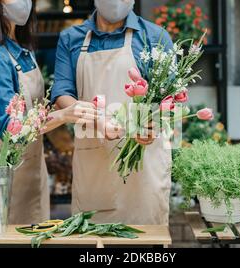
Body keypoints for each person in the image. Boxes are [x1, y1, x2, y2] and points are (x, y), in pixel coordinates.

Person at [0, 0, 97, 224]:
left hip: (31, 169)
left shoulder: (19, 50)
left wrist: (60, 107)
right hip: (2, 175)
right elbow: (10, 129)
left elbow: (30, 112)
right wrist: (64, 116)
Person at [52, 0, 174, 225]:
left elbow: (170, 101)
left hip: (144, 167)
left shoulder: (156, 37)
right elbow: (62, 93)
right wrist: (97, 119)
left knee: (144, 239)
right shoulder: (71, 38)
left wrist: (152, 126)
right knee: (93, 240)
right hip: (94, 161)